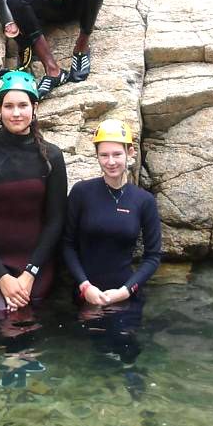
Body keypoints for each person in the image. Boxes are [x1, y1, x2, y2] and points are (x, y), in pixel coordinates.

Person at [0, 70, 68, 387]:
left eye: (23, 105)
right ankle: (15, 370)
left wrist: (29, 272)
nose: (16, 113)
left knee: (27, 313)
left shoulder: (52, 156)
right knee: (5, 314)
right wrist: (2, 276)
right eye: (9, 106)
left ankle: (18, 376)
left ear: (34, 108)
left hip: (34, 263)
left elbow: (55, 221)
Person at [62, 119, 162, 381]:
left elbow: (153, 256)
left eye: (117, 154)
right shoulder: (82, 192)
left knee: (125, 348)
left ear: (130, 153)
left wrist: (126, 290)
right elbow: (67, 244)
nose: (111, 161)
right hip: (86, 291)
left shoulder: (143, 201)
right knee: (96, 351)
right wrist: (85, 286)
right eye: (104, 155)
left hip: (124, 293)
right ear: (96, 156)